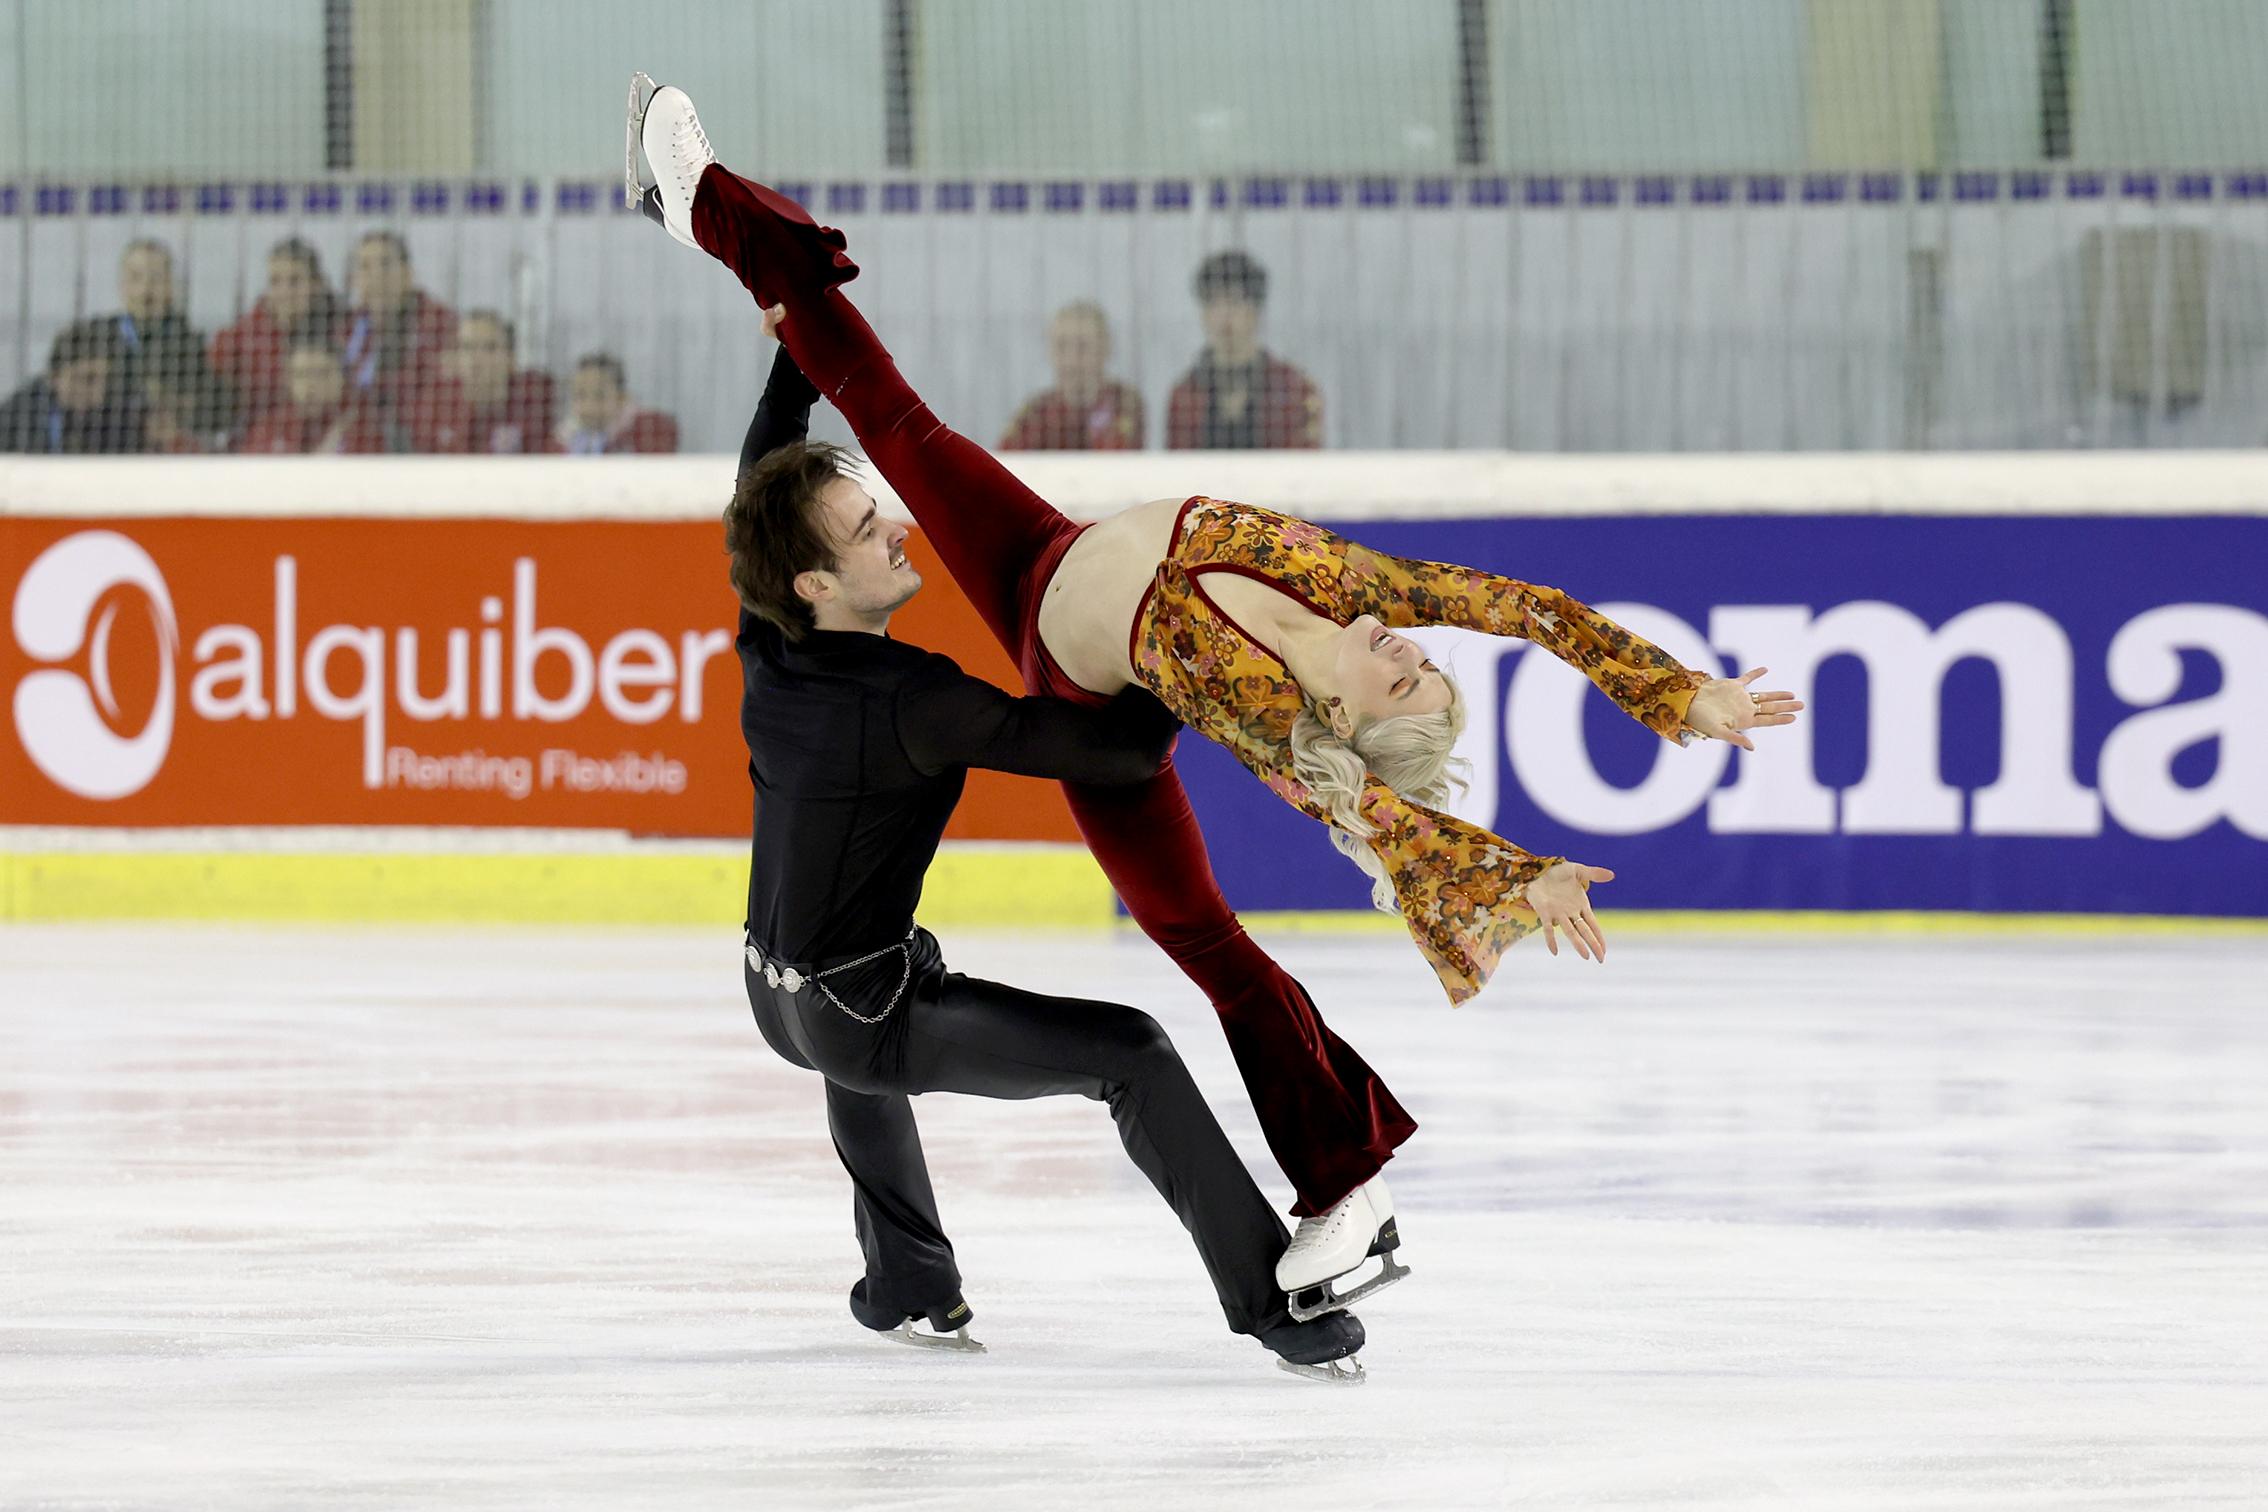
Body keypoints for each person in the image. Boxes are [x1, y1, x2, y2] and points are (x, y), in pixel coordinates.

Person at [636, 81, 1805, 1319]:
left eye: (1399, 678)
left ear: (1348, 724)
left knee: (1213, 953)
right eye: (1420, 656)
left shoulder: (1268, 710)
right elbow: (1524, 606)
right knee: (886, 406)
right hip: (1040, 555)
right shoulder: (1353, 585)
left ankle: (1342, 1191)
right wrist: (1677, 698)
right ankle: (699, 210)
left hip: (1090, 713)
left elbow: (1381, 826)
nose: (1405, 645)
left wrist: (1519, 882)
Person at [710, 280, 1368, 1384]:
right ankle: (1272, 1305)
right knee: (1131, 1053)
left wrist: (793, 366)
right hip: (860, 1013)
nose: (900, 529)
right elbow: (1112, 755)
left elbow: (756, 486)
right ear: (820, 582)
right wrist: (1168, 650)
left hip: (773, 994)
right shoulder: (911, 702)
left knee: (858, 1042)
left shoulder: (770, 642)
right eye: (871, 533)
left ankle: (909, 1280)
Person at [1166, 251, 1321, 449]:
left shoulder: (1294, 390)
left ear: (1256, 310)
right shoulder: (1185, 395)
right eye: (1212, 303)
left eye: (1234, 301)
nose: (1224, 315)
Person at [98, 238, 231, 442]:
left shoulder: (190, 345)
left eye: (155, 278)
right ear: (122, 285)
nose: (145, 290)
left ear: (170, 285)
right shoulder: (97, 339)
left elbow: (216, 414)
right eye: (136, 278)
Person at [337, 230, 456, 451]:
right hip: (357, 441)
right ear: (355, 279)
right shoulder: (347, 326)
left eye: (385, 264)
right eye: (365, 266)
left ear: (407, 273)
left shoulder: (437, 322)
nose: (376, 275)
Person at [211, 238, 340, 435]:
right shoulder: (237, 338)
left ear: (317, 285)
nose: (285, 292)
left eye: (295, 281)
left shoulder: (341, 332)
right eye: (275, 281)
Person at [997, 301, 1143, 450]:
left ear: (1105, 349)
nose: (1072, 360)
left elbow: (1114, 461)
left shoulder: (1122, 402)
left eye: (1083, 346)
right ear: (1051, 352)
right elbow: (1006, 460)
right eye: (1062, 346)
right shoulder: (1037, 410)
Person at [416, 310, 560, 453]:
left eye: (489, 348)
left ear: (510, 358)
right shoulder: (436, 410)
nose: (475, 359)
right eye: (467, 347)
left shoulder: (534, 408)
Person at [0, 320, 144, 454]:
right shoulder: (16, 419)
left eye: (105, 381)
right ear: (54, 377)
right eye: (87, 379)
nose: (97, 392)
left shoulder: (117, 417)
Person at [237, 337, 386, 455]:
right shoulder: (269, 429)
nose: (310, 384)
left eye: (321, 374)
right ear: (289, 381)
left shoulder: (363, 432)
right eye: (302, 375)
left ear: (341, 378)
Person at [560, 352, 680, 453]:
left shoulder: (649, 429)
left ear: (622, 398)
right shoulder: (562, 441)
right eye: (579, 395)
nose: (588, 406)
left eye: (599, 396)